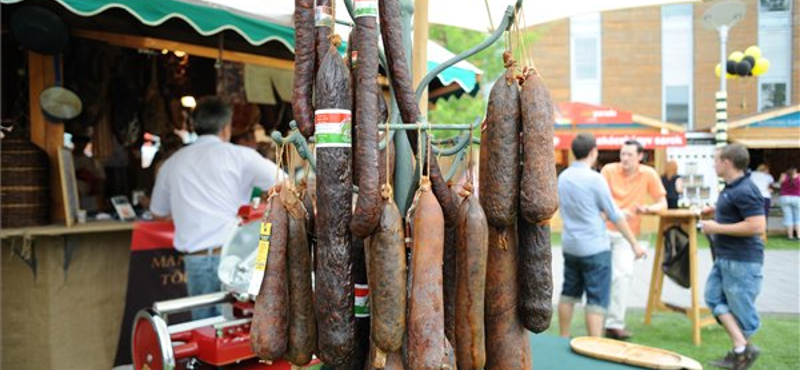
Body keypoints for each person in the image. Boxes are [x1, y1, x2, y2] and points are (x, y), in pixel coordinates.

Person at [150, 97, 280, 319]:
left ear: (194, 125)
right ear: (226, 127)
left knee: (204, 334)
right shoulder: (240, 156)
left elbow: (158, 213)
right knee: (236, 332)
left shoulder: (172, 164)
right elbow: (284, 184)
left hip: (197, 260)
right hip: (234, 258)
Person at [557, 134, 646, 338]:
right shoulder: (595, 179)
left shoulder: (563, 177)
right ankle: (594, 343)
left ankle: (562, 337)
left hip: (570, 245)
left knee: (568, 293)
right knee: (596, 298)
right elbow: (614, 215)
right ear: (593, 152)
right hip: (595, 248)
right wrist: (634, 244)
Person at [700, 143, 765, 370]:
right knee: (712, 298)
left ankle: (742, 349)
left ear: (727, 163)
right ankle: (741, 347)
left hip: (742, 260)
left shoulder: (745, 190)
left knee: (741, 311)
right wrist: (715, 212)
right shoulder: (731, 187)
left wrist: (716, 227)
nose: (713, 164)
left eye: (716, 160)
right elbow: (738, 214)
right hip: (726, 257)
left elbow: (756, 226)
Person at [601, 140, 667, 340]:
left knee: (623, 275)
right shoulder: (608, 170)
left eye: (630, 155)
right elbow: (600, 200)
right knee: (602, 277)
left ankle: (614, 324)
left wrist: (648, 209)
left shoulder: (648, 174)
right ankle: (598, 318)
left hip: (627, 235)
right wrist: (618, 212)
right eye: (622, 154)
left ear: (640, 156)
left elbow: (662, 202)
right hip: (602, 230)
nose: (625, 158)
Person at [777, 167, 800, 240]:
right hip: (797, 198)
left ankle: (790, 236)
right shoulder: (799, 176)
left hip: (784, 197)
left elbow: (778, 185)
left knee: (788, 217)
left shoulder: (783, 175)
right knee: (798, 217)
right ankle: (799, 236)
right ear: (795, 171)